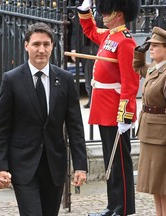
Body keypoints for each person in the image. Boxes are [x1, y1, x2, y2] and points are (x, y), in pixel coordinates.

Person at [0, 22, 87, 216]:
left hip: (54, 166)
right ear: (26, 45)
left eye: (46, 44)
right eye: (36, 44)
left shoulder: (65, 79)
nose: (41, 50)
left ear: (52, 46)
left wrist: (80, 165)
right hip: (23, 165)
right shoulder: (12, 79)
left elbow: (75, 126)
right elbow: (1, 128)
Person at [77, 0, 140, 215]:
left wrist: (126, 114)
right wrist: (84, 11)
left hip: (115, 109)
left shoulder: (125, 42)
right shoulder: (109, 36)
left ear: (120, 13)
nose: (103, 15)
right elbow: (90, 30)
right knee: (110, 162)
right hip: (103, 108)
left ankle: (122, 208)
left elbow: (130, 82)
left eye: (107, 11)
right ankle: (113, 206)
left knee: (119, 163)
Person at [133, 26, 166, 216]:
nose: (151, 48)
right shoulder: (155, 68)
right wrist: (140, 51)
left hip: (162, 136)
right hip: (150, 133)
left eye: (155, 45)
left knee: (163, 184)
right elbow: (138, 67)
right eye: (150, 45)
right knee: (155, 185)